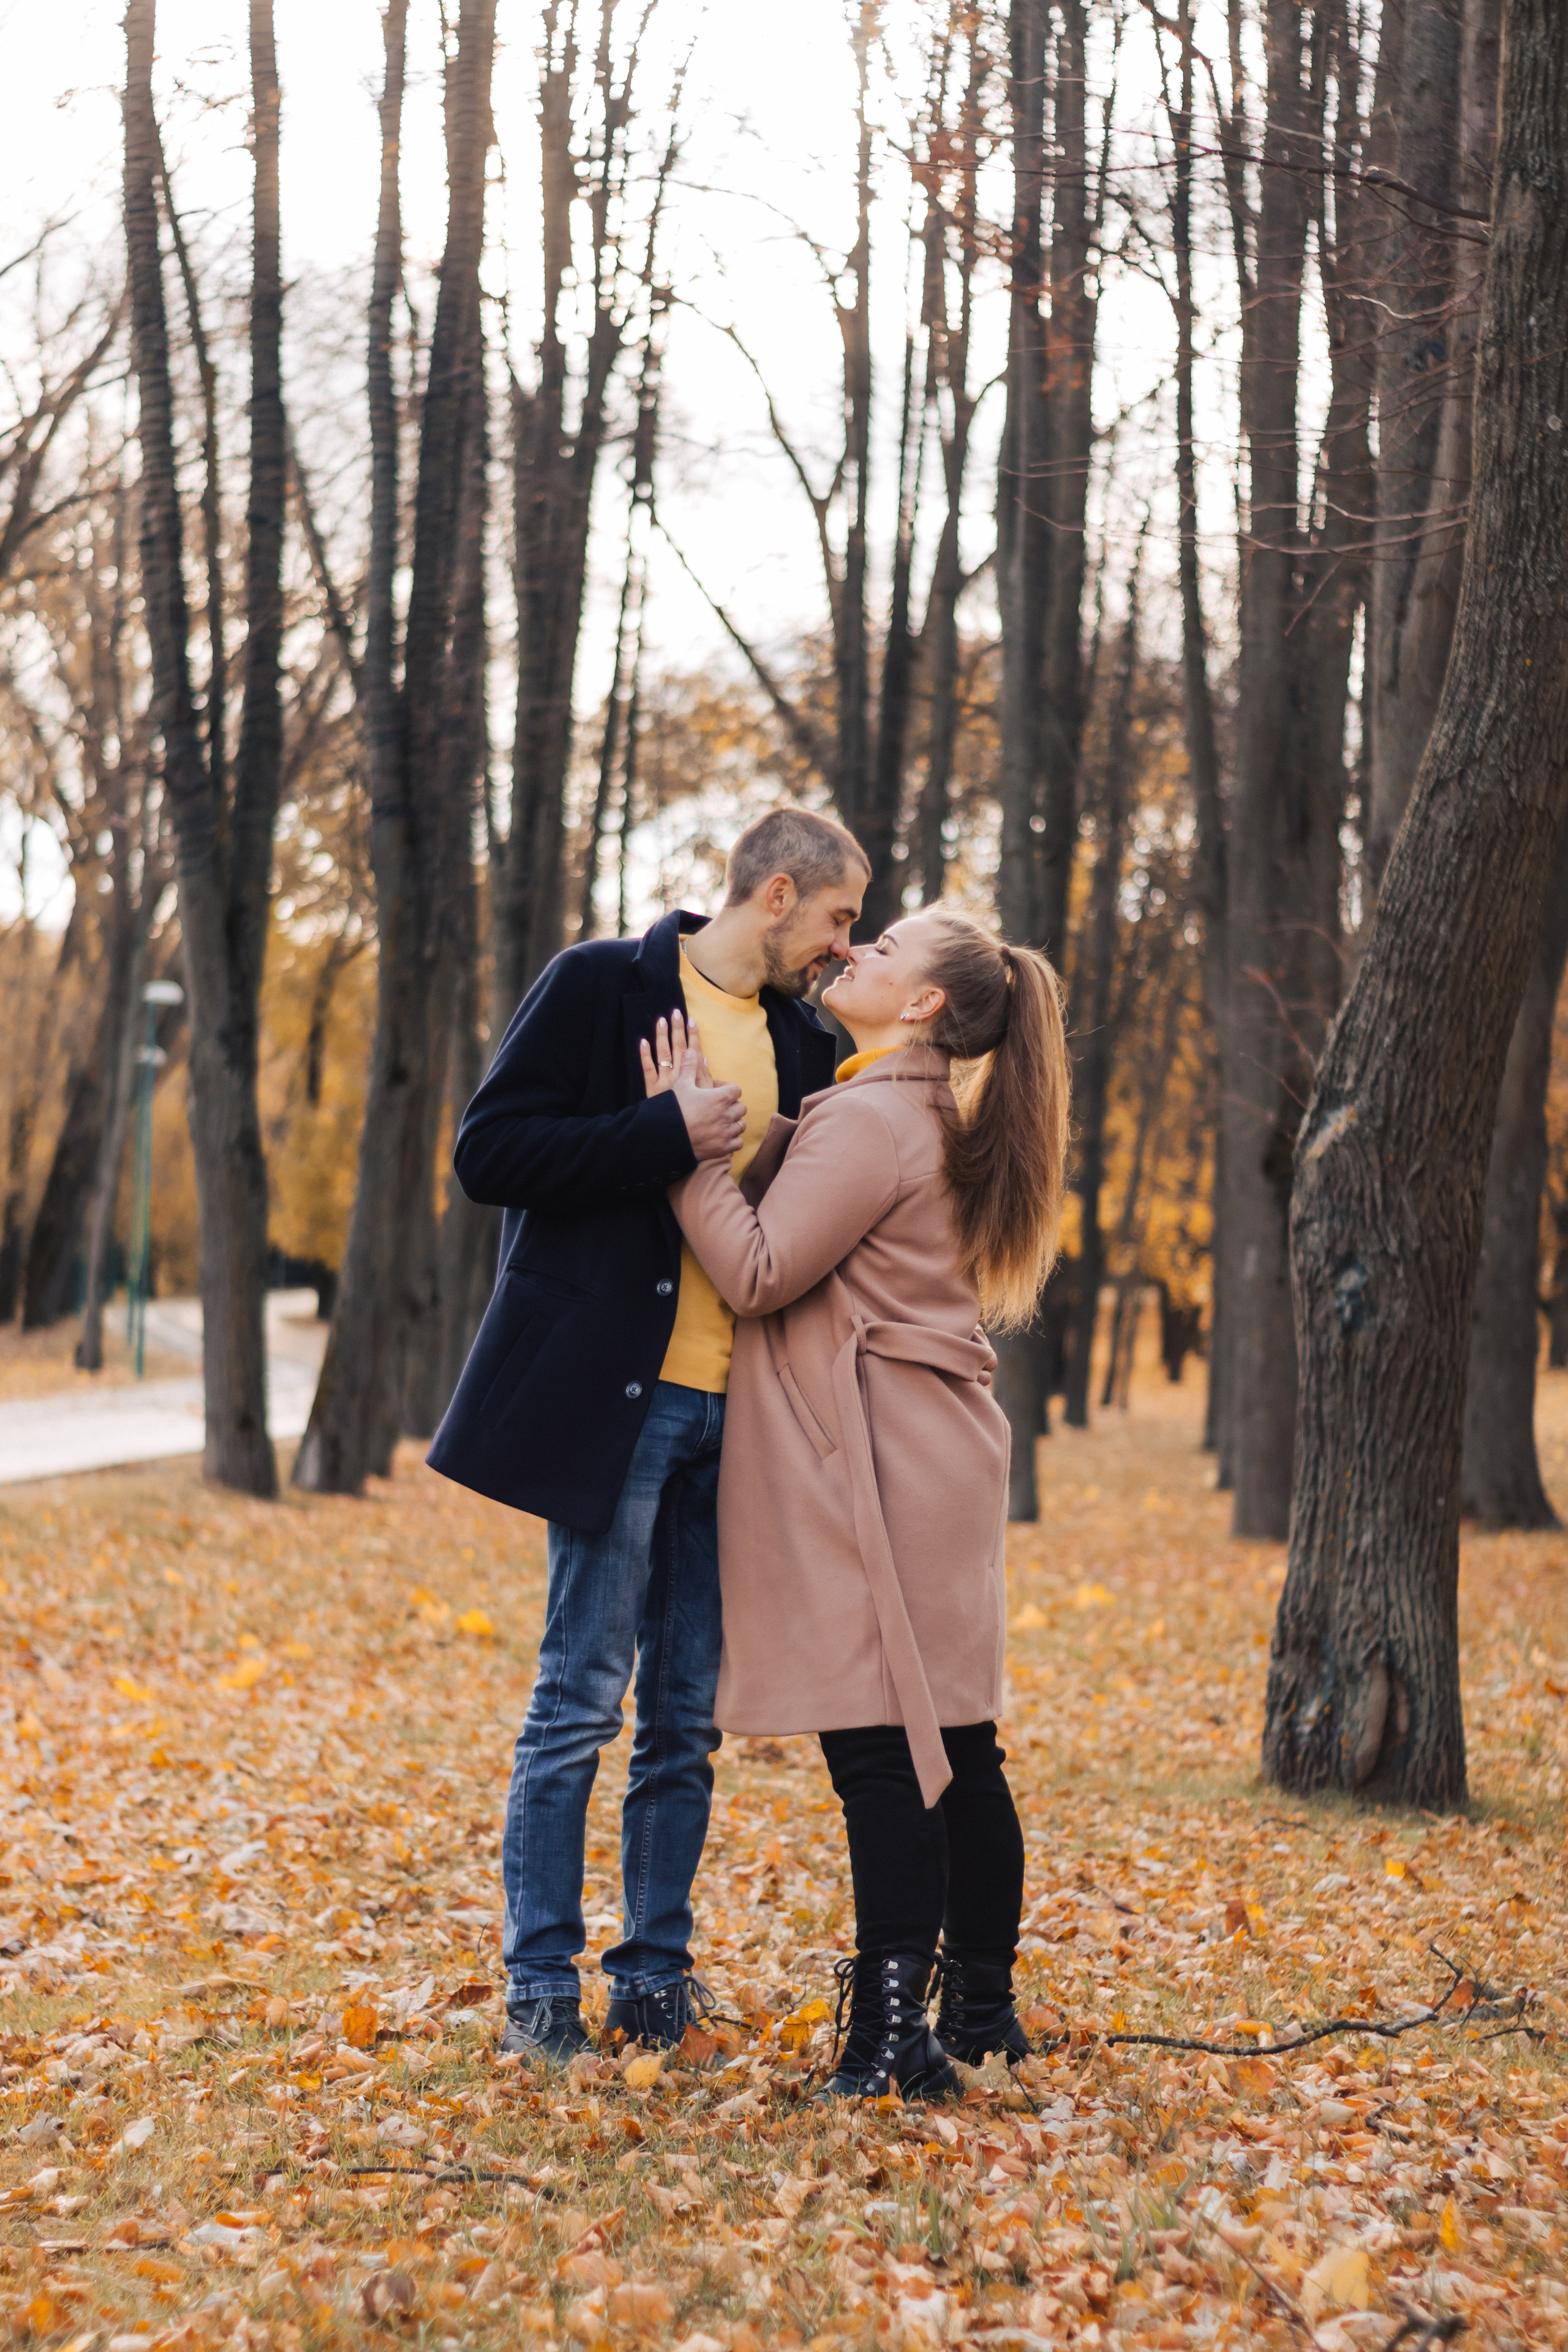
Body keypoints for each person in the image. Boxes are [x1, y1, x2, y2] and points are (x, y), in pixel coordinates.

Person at [428, 809, 869, 2061]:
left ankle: (654, 1983)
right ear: (774, 893)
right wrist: (663, 1133)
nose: (843, 946)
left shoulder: (804, 1040)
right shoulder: (598, 985)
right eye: (836, 917)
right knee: (579, 1699)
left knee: (685, 1720)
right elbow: (488, 1154)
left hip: (743, 1419)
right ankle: (539, 1990)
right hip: (618, 1406)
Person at [643, 907, 1068, 2097]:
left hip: (881, 1462)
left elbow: (757, 1270)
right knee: (956, 1748)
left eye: (884, 951)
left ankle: (891, 2040)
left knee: (883, 1755)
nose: (856, 952)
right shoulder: (912, 1112)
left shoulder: (873, 1120)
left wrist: (680, 1146)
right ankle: (977, 2011)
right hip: (933, 1453)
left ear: (923, 1004)